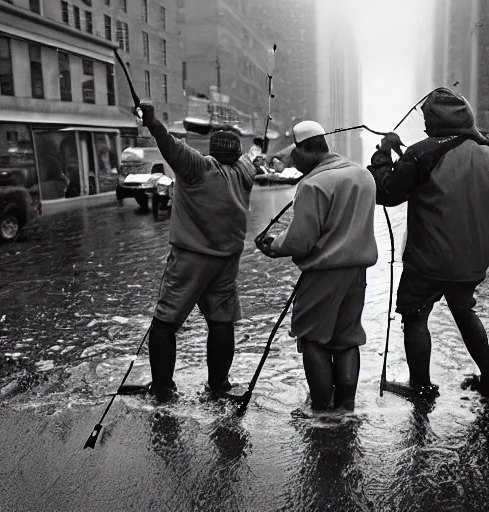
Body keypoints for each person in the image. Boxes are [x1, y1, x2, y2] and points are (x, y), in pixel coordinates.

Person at [368, 86, 489, 398]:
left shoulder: (421, 152)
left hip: (428, 259)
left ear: (436, 120)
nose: (424, 125)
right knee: (464, 310)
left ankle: (421, 386)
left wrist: (383, 153)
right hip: (472, 258)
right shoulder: (485, 151)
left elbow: (388, 193)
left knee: (415, 316)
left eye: (427, 118)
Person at [138, 103, 258, 401]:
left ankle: (162, 387)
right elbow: (249, 156)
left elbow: (169, 145)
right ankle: (219, 386)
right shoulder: (246, 172)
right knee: (221, 322)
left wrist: (152, 121)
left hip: (189, 261)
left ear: (211, 151)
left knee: (165, 322)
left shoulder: (197, 168)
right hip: (226, 263)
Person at [257, 121, 378, 410]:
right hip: (356, 274)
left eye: (294, 156)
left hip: (323, 274)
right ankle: (346, 408)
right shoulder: (363, 176)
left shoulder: (313, 184)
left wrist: (273, 245)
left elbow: (301, 240)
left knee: (312, 340)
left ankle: (322, 411)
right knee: (347, 339)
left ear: (304, 150)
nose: (294, 164)